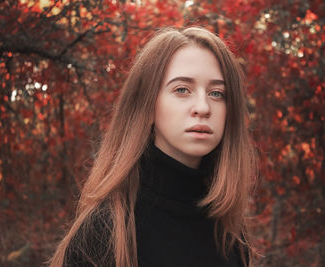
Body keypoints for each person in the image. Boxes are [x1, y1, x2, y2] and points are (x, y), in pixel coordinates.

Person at [49, 26, 257, 267]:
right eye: (182, 90)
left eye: (217, 93)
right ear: (147, 106)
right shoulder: (107, 231)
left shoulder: (230, 233)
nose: (203, 107)